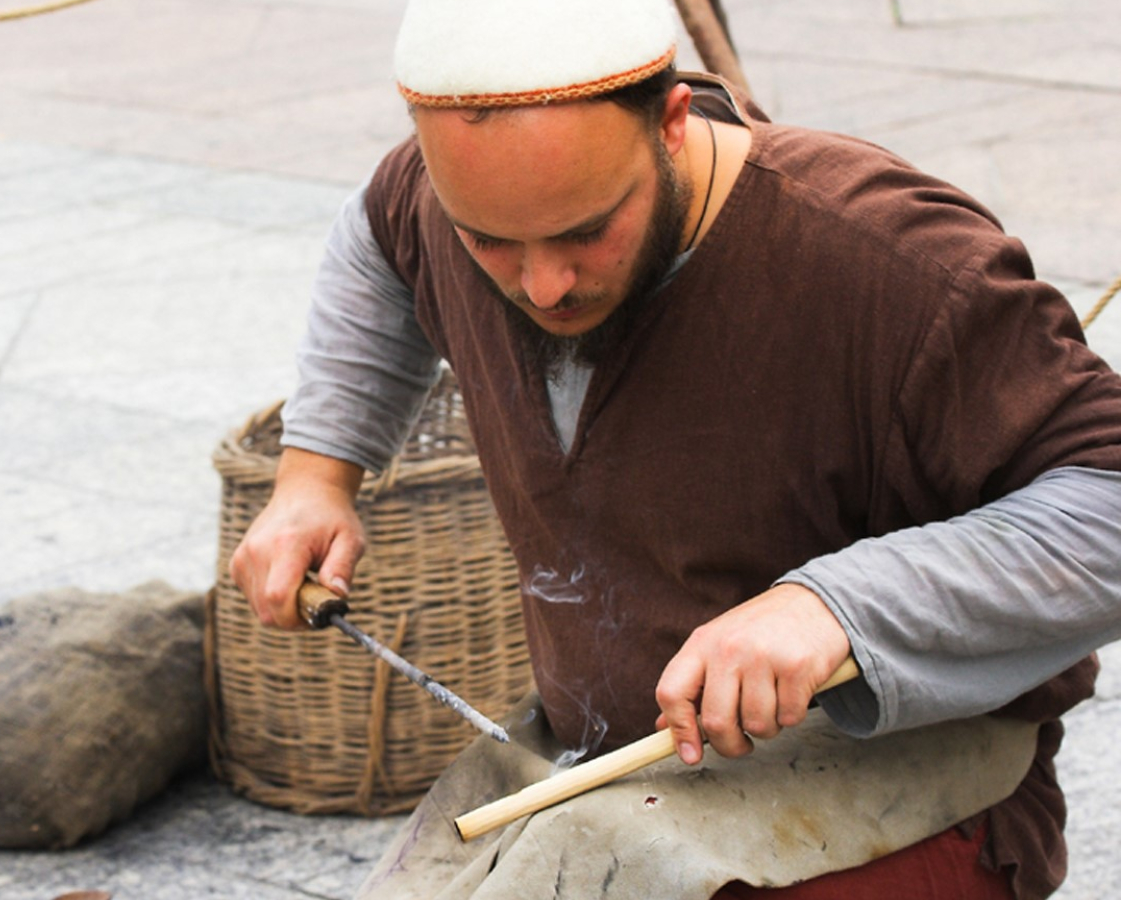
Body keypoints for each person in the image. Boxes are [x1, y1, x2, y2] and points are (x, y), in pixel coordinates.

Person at [228, 0, 1121, 897]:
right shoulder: (435, 197)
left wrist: (831, 610)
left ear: (673, 120)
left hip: (913, 790)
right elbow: (381, 235)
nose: (544, 284)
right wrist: (317, 471)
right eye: (489, 241)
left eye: (585, 230)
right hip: (622, 762)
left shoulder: (899, 260)